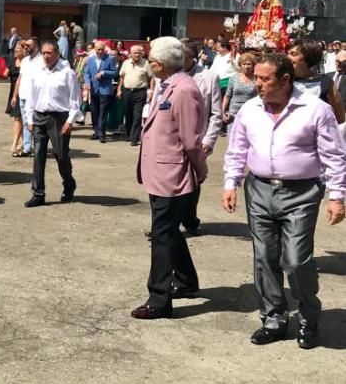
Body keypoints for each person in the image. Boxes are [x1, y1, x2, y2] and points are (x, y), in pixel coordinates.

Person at [222, 53, 346, 348]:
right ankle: (274, 318)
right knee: (264, 257)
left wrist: (337, 196)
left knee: (295, 259)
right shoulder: (250, 109)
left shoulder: (315, 109)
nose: (257, 85)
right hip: (260, 190)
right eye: (256, 78)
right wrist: (231, 182)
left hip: (301, 193)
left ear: (285, 80)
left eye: (264, 79)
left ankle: (308, 317)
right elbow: (237, 148)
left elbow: (333, 155)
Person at [131, 37, 207, 320]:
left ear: (158, 64)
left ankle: (159, 298)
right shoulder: (166, 85)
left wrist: (200, 169)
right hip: (159, 171)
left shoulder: (184, 90)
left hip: (172, 174)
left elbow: (191, 139)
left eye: (151, 60)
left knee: (161, 234)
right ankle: (186, 280)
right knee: (169, 230)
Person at [23, 40, 79, 207]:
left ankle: (69, 184)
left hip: (59, 119)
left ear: (57, 53)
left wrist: (70, 120)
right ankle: (38, 193)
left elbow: (75, 100)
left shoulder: (67, 73)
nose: (46, 56)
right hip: (40, 117)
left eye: (49, 53)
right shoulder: (37, 72)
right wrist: (30, 119)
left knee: (61, 156)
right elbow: (31, 98)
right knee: (38, 155)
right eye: (44, 53)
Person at [177, 41, 223, 235]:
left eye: (183, 57)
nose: (179, 61)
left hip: (198, 138)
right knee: (170, 180)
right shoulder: (171, 75)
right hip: (173, 137)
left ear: (193, 58)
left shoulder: (209, 77)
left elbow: (216, 112)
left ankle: (189, 220)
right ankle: (165, 224)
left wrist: (209, 140)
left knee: (193, 181)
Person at [286, 39, 345, 124]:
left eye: (293, 54)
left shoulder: (326, 82)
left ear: (308, 57)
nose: (288, 57)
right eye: (287, 53)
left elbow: (340, 117)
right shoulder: (282, 80)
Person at [11, 38, 43, 156]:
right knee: (25, 122)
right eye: (25, 46)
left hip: (35, 97)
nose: (26, 47)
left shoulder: (42, 60)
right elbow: (20, 79)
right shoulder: (25, 60)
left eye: (28, 45)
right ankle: (27, 147)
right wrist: (15, 95)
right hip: (23, 95)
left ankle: (37, 147)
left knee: (34, 122)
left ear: (37, 46)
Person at [118, 45, 154, 146]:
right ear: (131, 54)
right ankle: (129, 134)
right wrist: (119, 90)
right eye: (135, 53)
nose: (137, 55)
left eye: (139, 53)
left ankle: (134, 138)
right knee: (128, 113)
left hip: (140, 92)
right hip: (127, 92)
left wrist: (150, 90)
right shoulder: (126, 63)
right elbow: (122, 77)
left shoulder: (146, 63)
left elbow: (151, 78)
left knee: (137, 115)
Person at [84, 40, 118, 142]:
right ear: (94, 49)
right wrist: (87, 83)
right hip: (94, 89)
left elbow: (115, 73)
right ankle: (96, 131)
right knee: (94, 112)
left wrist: (103, 73)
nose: (100, 51)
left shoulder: (110, 59)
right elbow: (86, 73)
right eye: (98, 49)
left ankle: (102, 133)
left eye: (102, 50)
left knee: (103, 112)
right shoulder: (90, 59)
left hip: (105, 90)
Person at [222, 52, 258, 129]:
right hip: (233, 115)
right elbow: (227, 96)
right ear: (240, 65)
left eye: (249, 64)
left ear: (253, 65)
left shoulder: (257, 79)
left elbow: (259, 98)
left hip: (250, 114)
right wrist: (223, 112)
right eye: (244, 64)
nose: (246, 66)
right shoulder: (233, 78)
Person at [6, 40, 26, 156]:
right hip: (14, 91)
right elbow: (5, 74)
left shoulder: (28, 63)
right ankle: (20, 141)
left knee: (19, 118)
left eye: (19, 50)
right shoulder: (12, 61)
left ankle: (16, 143)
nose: (17, 52)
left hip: (23, 91)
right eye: (16, 50)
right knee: (18, 118)